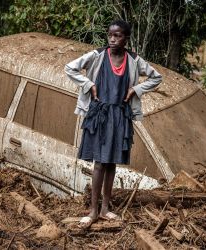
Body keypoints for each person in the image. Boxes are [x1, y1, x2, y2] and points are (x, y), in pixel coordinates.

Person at [65, 20, 162, 228]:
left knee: (111, 163)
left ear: (126, 38)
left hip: (120, 116)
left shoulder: (134, 60)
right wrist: (89, 84)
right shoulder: (97, 55)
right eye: (110, 35)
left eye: (117, 35)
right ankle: (93, 210)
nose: (112, 39)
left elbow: (156, 77)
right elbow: (70, 68)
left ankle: (105, 208)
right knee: (99, 163)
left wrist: (135, 90)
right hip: (99, 114)